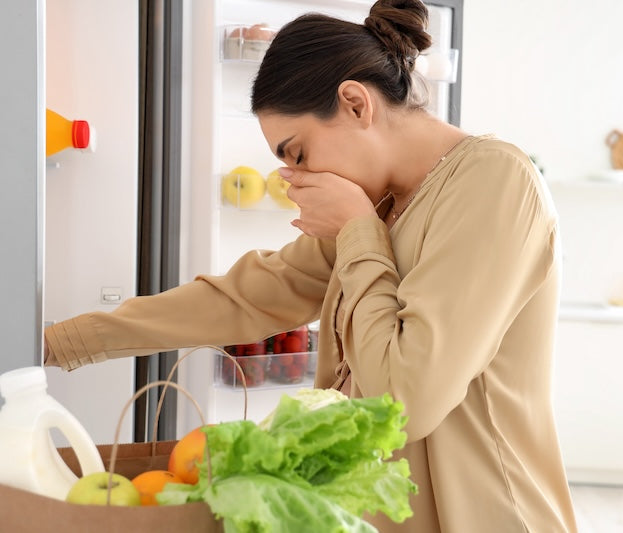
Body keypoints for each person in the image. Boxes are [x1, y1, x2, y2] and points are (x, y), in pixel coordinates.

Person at [44, 0, 577, 531]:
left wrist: (355, 229)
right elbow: (248, 295)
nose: (295, 179)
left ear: (354, 104)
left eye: (297, 153)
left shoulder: (492, 181)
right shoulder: (382, 203)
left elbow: (408, 397)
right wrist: (56, 342)